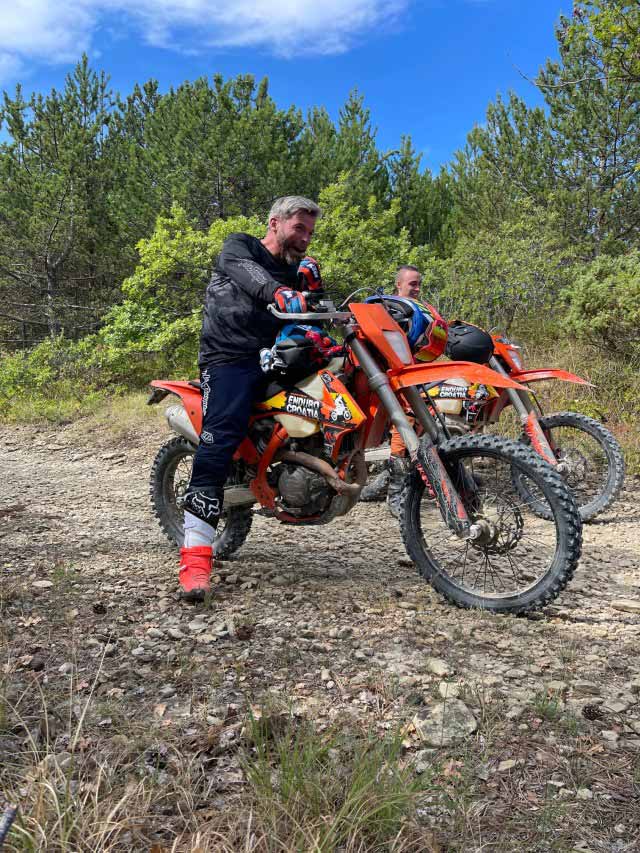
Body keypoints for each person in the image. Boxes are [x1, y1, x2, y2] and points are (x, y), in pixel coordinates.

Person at [179, 196, 323, 601]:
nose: (306, 238)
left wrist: (316, 291)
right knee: (219, 439)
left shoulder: (298, 268)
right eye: (299, 228)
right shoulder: (239, 247)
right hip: (229, 358)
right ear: (275, 223)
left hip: (274, 357)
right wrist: (280, 291)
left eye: (310, 232)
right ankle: (195, 560)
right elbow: (252, 278)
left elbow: (315, 308)